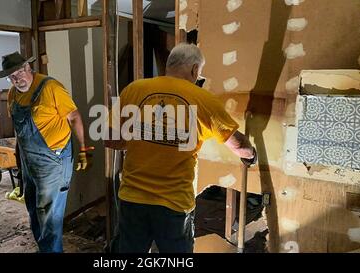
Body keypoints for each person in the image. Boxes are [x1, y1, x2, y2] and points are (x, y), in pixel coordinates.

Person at [106, 43, 257, 253]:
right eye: (199, 72)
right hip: (173, 204)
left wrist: (142, 139)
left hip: (133, 199)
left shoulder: (134, 90)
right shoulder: (203, 100)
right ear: (195, 69)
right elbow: (239, 145)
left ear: (169, 65)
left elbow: (110, 140)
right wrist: (251, 155)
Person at [0, 52, 93, 253]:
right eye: (11, 76)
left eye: (19, 73)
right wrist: (18, 157)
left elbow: (74, 117)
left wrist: (83, 149)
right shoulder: (13, 93)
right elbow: (19, 129)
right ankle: (45, 248)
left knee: (49, 213)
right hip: (28, 160)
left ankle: (51, 251)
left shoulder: (51, 88)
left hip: (53, 160)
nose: (16, 79)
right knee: (33, 208)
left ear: (28, 68)